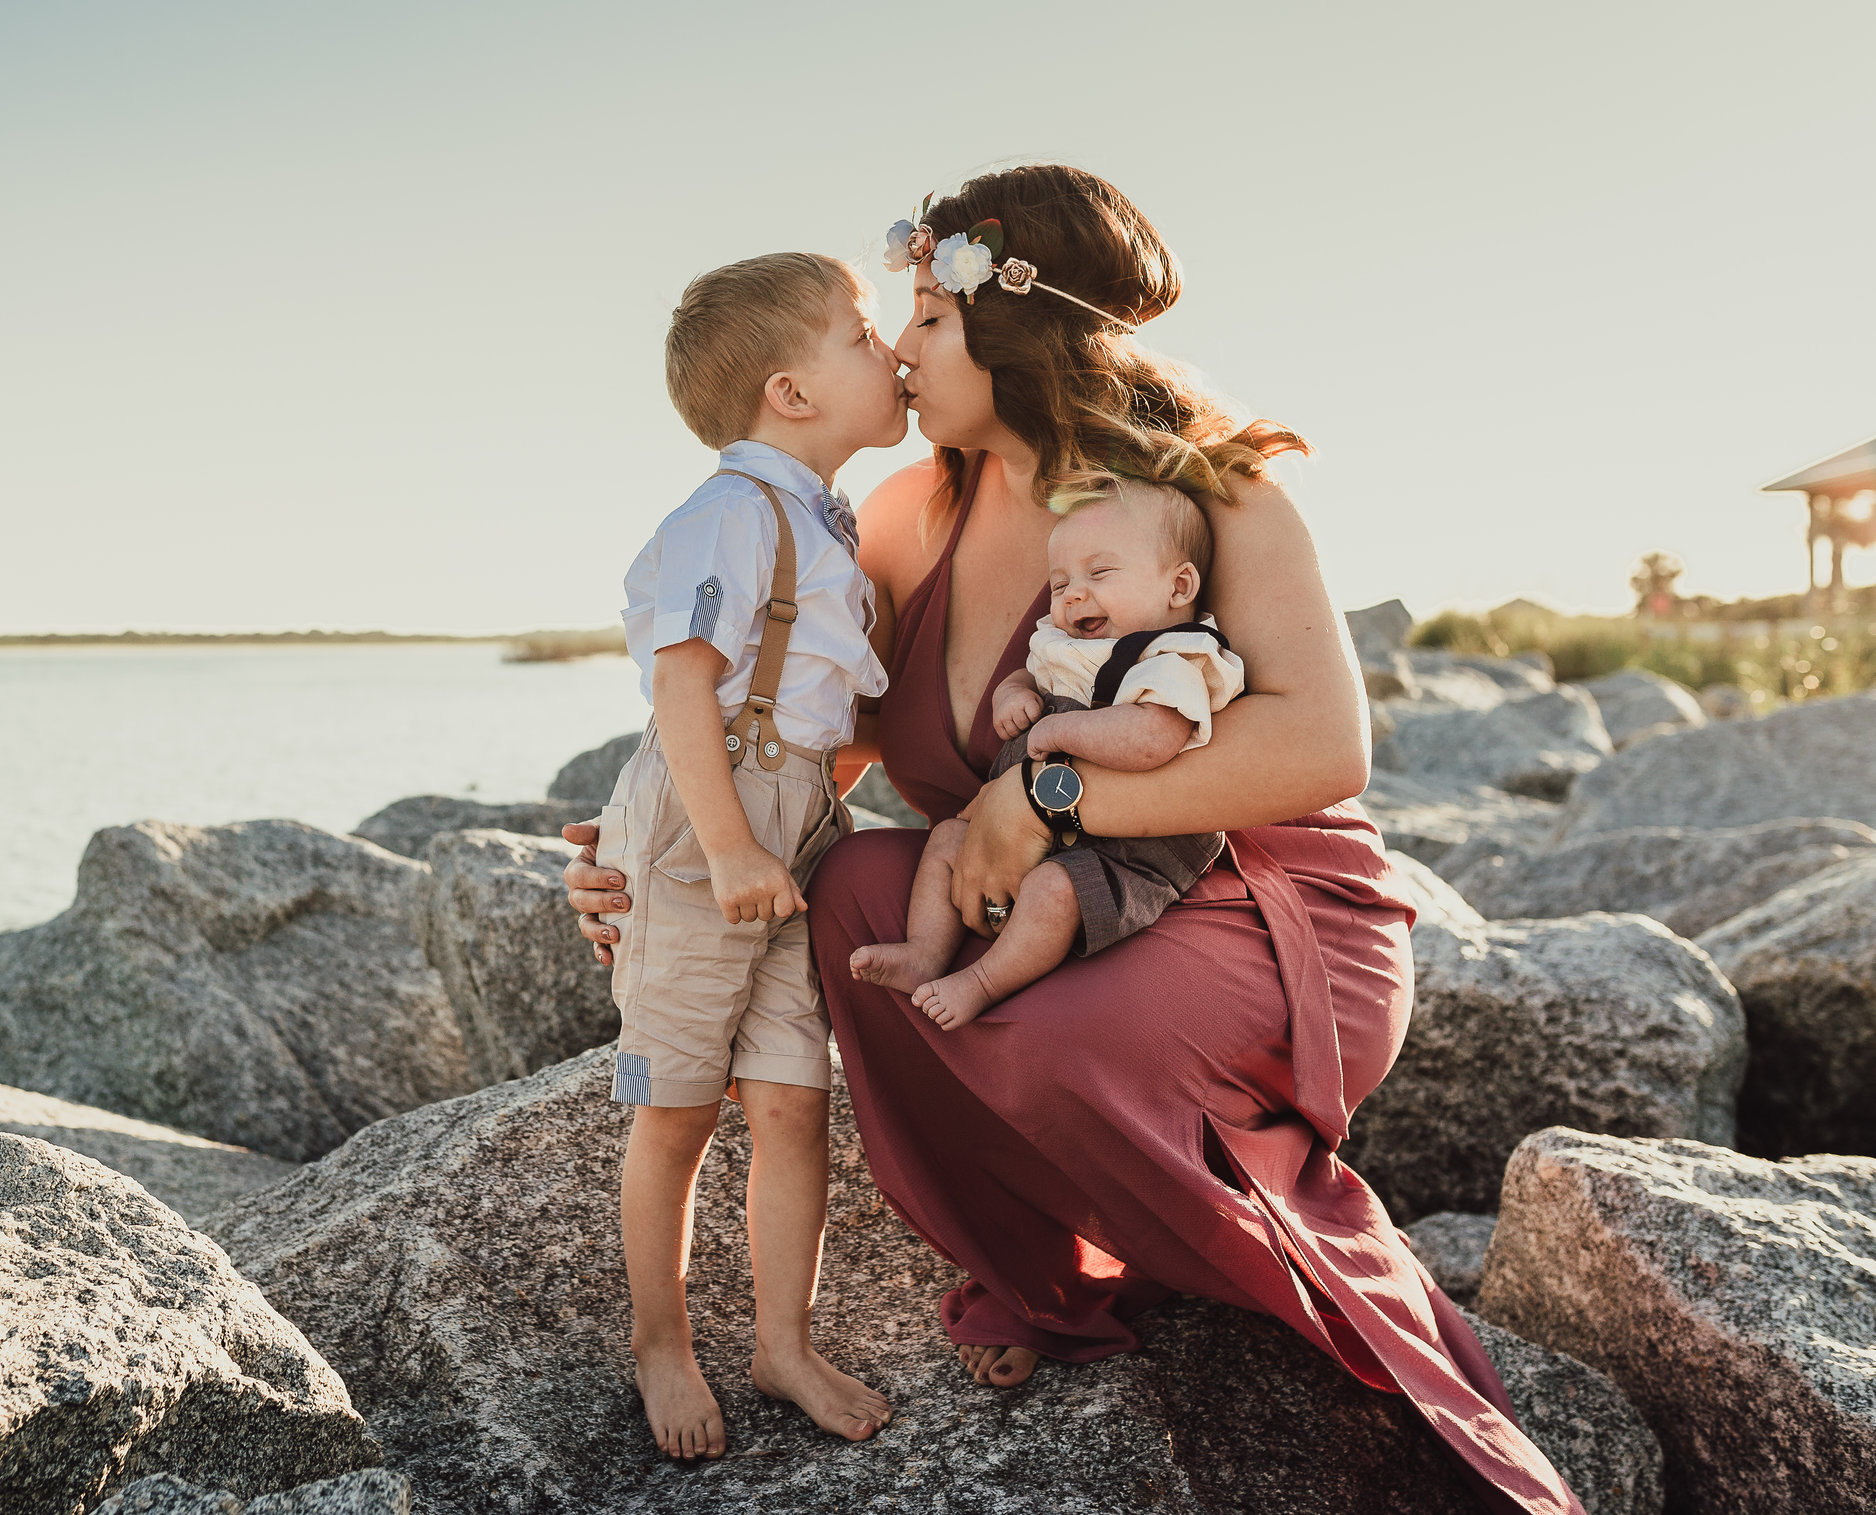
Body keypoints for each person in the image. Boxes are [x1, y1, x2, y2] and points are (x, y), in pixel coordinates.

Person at [567, 167, 1585, 1513]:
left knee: (1041, 1029)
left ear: (1018, 328)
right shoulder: (900, 522)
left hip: (1251, 901)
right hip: (1036, 911)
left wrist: (1038, 798)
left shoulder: (1205, 497)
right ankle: (1042, 1266)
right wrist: (657, 853)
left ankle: (1246, 1258)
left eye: (925, 317)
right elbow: (807, 745)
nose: (902, 350)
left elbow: (1323, 750)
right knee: (864, 887)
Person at [600, 251, 907, 1462]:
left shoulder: (827, 521)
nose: (886, 351)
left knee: (791, 1099)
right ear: (790, 391)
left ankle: (783, 1339)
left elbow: (830, 718)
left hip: (796, 836)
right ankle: (660, 1340)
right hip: (707, 827)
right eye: (862, 331)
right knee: (673, 1107)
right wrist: (727, 845)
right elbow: (682, 687)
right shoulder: (728, 511)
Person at [848, 473, 1242, 1030]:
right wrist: (1014, 693)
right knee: (946, 838)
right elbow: (1026, 674)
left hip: (1125, 851)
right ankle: (924, 952)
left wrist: (1060, 736)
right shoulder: (1067, 644)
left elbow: (1152, 740)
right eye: (1059, 585)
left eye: (1100, 573)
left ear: (1178, 588)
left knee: (1055, 893)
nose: (1074, 594)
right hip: (1039, 831)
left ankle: (983, 982)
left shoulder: (1171, 661)